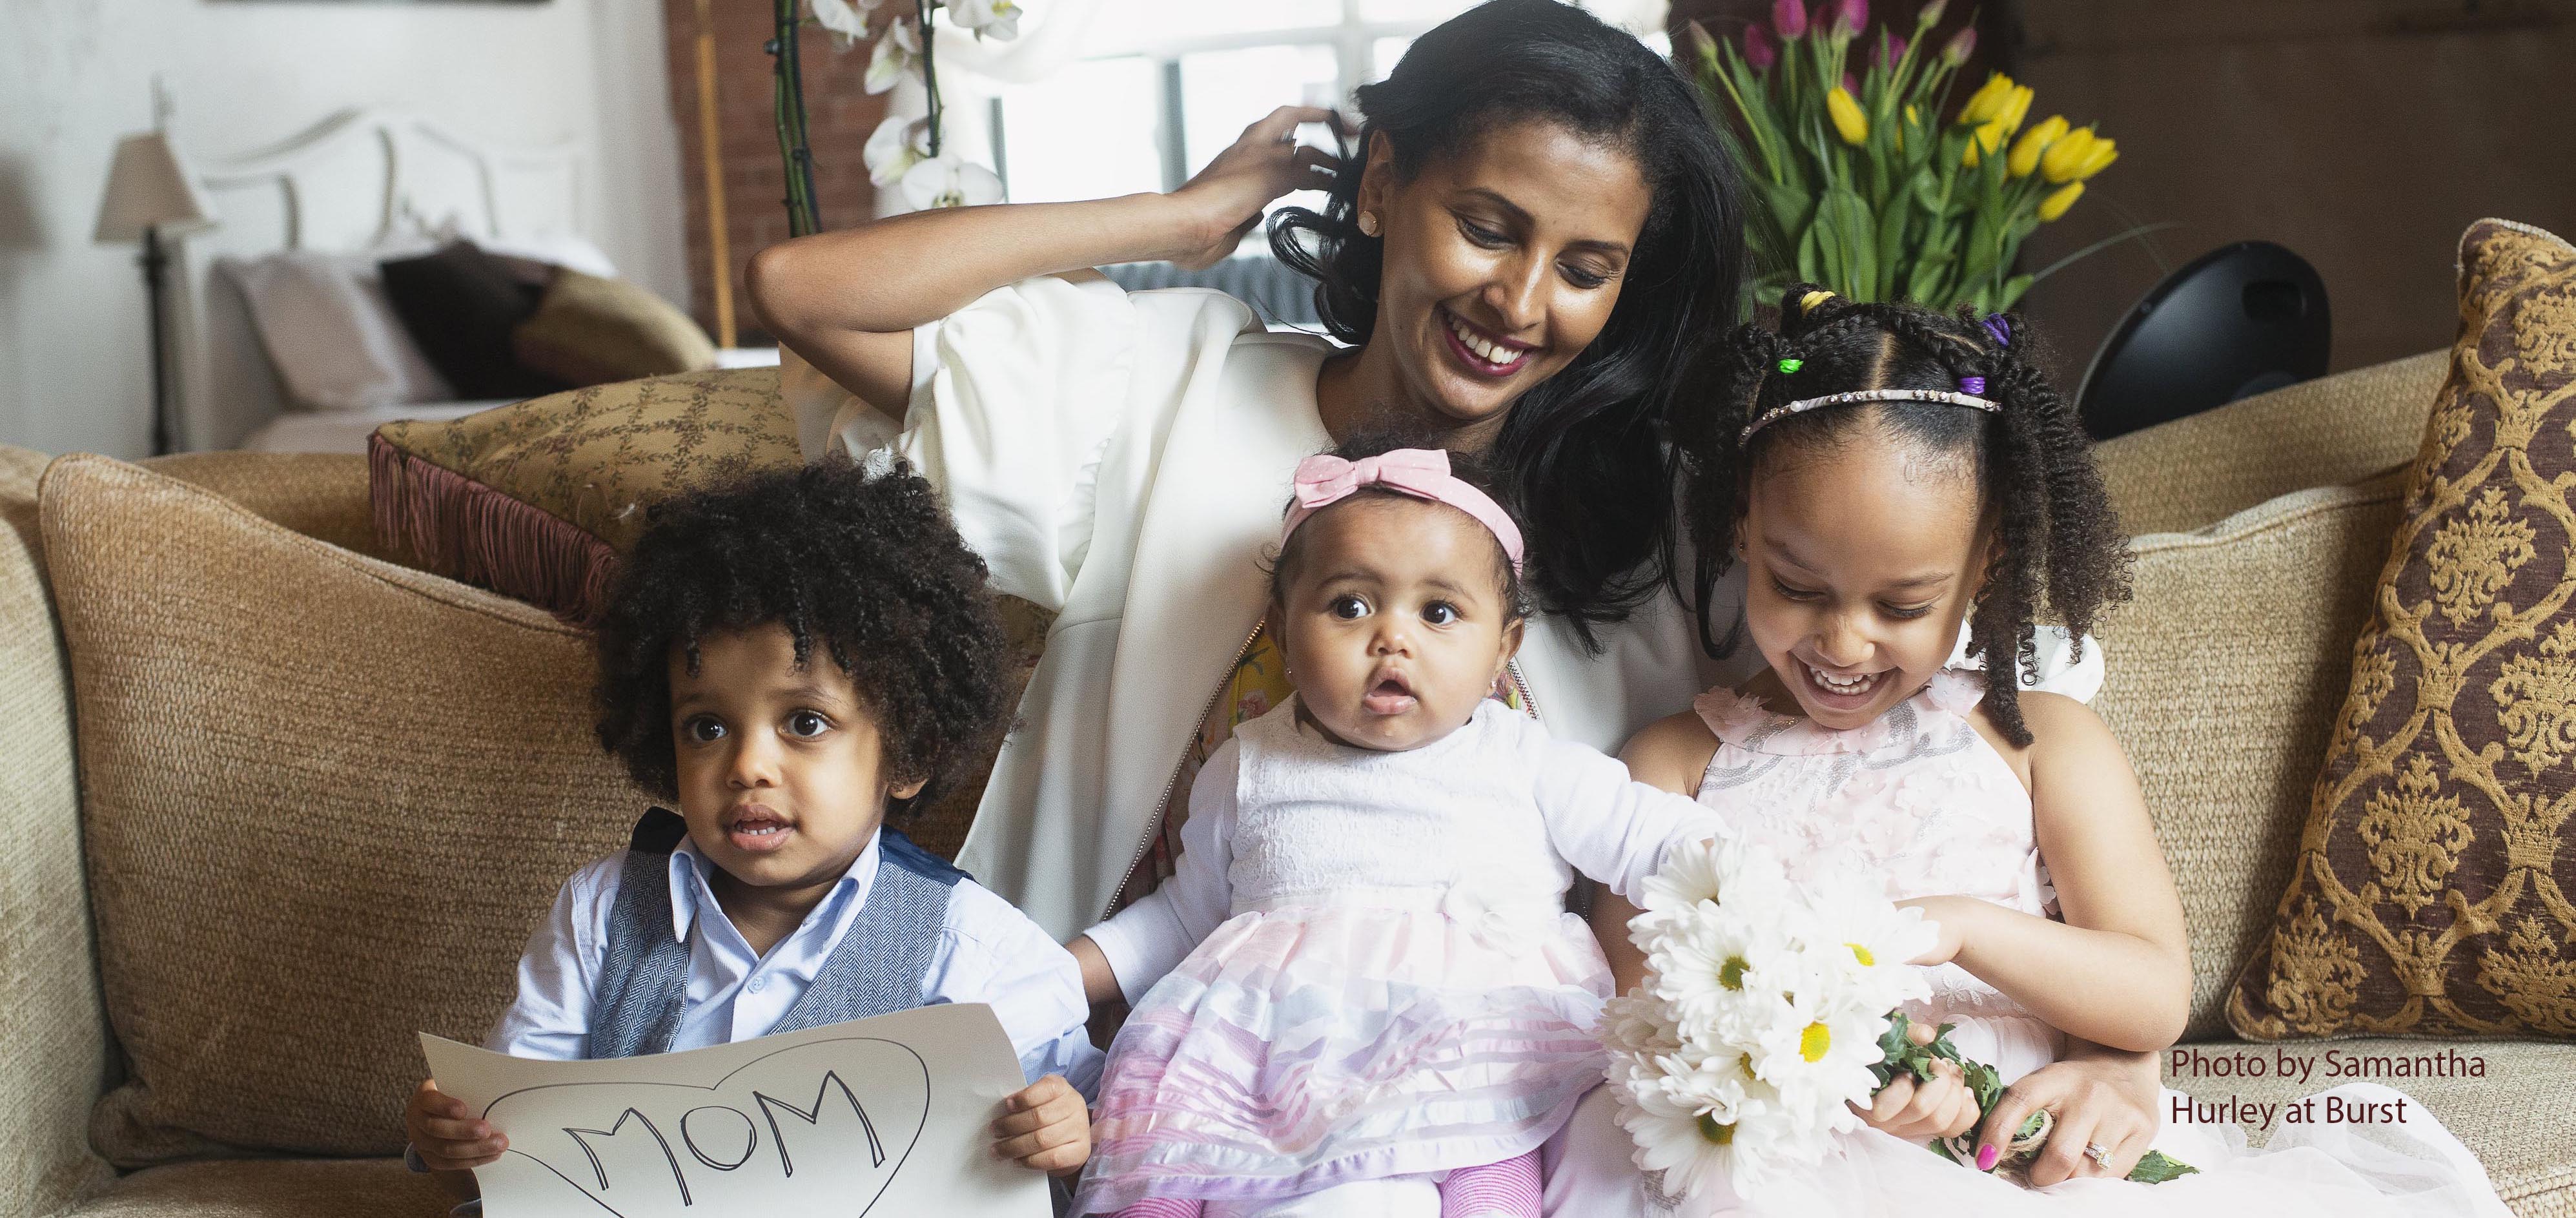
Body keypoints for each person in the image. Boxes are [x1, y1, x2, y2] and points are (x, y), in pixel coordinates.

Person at [745, 1, 2167, 1208]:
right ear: (1382, 187)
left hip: (1480, 1128)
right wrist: (1179, 220)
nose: (1521, 301)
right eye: (1487, 226)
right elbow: (809, 293)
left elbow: (1964, 677)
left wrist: (2120, 1047)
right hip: (1105, 1095)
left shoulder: (1656, 520)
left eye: (1588, 267)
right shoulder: (1169, 386)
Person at [1602, 287, 2511, 1214]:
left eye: (1901, 605)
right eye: (1797, 585)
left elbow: (2151, 990)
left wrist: (1958, 926)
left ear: (1986, 564)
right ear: (1742, 531)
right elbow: (1645, 1037)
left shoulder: (2040, 741)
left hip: (2033, 1162)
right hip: (1778, 1168)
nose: (1841, 642)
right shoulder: (1669, 767)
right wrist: (1840, 1091)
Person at [401, 465, 1101, 1203]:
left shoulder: (982, 954)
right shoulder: (601, 913)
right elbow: (512, 1153)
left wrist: (1068, 1135)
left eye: (805, 722)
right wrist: (451, 1139)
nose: (746, 766)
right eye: (706, 726)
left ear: (909, 752)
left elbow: (1092, 1144)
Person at [1068, 442, 1726, 1217]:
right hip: (1269, 1061)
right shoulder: (1249, 765)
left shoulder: (1525, 759)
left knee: (1494, 1178)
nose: (1393, 637)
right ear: (1281, 628)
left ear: (1501, 651)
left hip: (1475, 1051)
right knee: (1168, 1169)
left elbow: (1651, 838)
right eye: (1350, 605)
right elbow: (1187, 913)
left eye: (1439, 612)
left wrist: (1757, 896)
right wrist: (1055, 975)